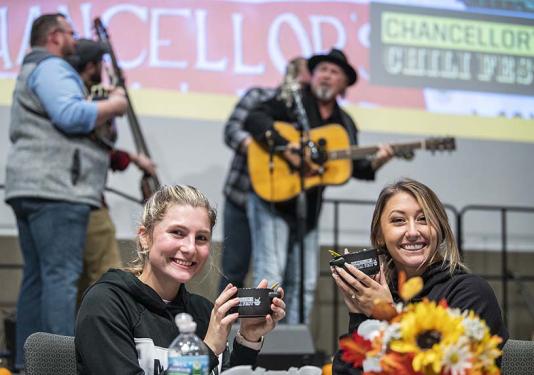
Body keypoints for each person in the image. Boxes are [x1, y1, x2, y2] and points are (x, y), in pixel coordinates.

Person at [4, 13, 127, 370]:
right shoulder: (54, 68)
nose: (76, 39)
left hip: (32, 186)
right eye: (71, 33)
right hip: (57, 189)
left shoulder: (33, 69)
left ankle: (28, 365)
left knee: (38, 277)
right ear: (56, 37)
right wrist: (115, 105)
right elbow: (70, 114)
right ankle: (59, 367)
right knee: (60, 277)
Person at [244, 48, 394, 324]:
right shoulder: (292, 100)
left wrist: (380, 160)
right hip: (272, 200)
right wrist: (288, 148)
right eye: (322, 70)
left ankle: (293, 347)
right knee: (271, 274)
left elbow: (354, 168)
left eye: (334, 72)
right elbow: (254, 119)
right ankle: (262, 345)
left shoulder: (344, 123)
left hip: (308, 211)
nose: (326, 76)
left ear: (344, 84)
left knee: (305, 282)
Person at [76, 185, 286, 375]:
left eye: (201, 238)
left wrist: (248, 339)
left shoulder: (203, 312)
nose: (190, 248)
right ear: (145, 236)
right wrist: (208, 350)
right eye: (177, 233)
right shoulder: (106, 303)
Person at [331, 178, 509, 374]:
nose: (413, 232)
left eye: (424, 219)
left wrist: (389, 315)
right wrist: (359, 316)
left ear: (440, 229)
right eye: (398, 220)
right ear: (380, 235)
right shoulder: (379, 293)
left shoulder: (470, 292)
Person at [67, 38, 157, 302]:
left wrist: (131, 159)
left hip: (78, 197)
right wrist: (114, 99)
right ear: (92, 66)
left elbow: (100, 149)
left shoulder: (76, 97)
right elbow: (97, 144)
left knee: (80, 280)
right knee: (107, 274)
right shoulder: (86, 101)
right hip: (86, 199)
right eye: (100, 64)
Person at [219, 57, 310, 292]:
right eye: (303, 76)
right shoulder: (257, 97)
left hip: (277, 203)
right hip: (241, 195)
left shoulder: (302, 117)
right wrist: (263, 150)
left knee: (276, 273)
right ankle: (220, 327)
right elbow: (232, 131)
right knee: (233, 270)